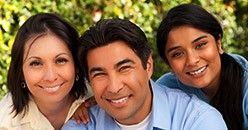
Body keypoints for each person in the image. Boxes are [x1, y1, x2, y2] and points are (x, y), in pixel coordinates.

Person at [62, 18, 227, 130]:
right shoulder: (81, 125)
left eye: (124, 68)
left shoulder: (198, 120)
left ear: (148, 66)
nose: (114, 87)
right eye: (99, 74)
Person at [156, 3, 248, 130]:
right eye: (178, 54)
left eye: (200, 45)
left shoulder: (245, 83)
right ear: (169, 63)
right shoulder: (165, 90)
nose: (192, 61)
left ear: (218, 43)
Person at [0, 13, 88, 130]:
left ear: (76, 65)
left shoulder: (101, 97)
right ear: (20, 72)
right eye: (36, 63)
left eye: (60, 60)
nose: (50, 77)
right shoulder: (5, 122)